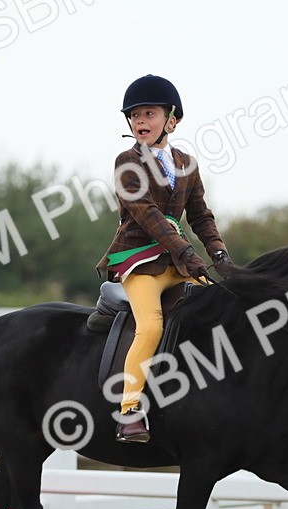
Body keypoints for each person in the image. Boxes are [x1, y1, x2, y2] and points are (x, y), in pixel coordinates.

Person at [96, 75, 232, 444]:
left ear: (172, 120)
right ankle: (129, 412)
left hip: (178, 264)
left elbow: (201, 216)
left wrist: (220, 257)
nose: (140, 121)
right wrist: (187, 252)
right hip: (138, 260)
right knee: (151, 327)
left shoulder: (186, 164)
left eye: (149, 114)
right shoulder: (127, 161)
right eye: (135, 115)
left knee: (220, 307)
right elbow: (148, 214)